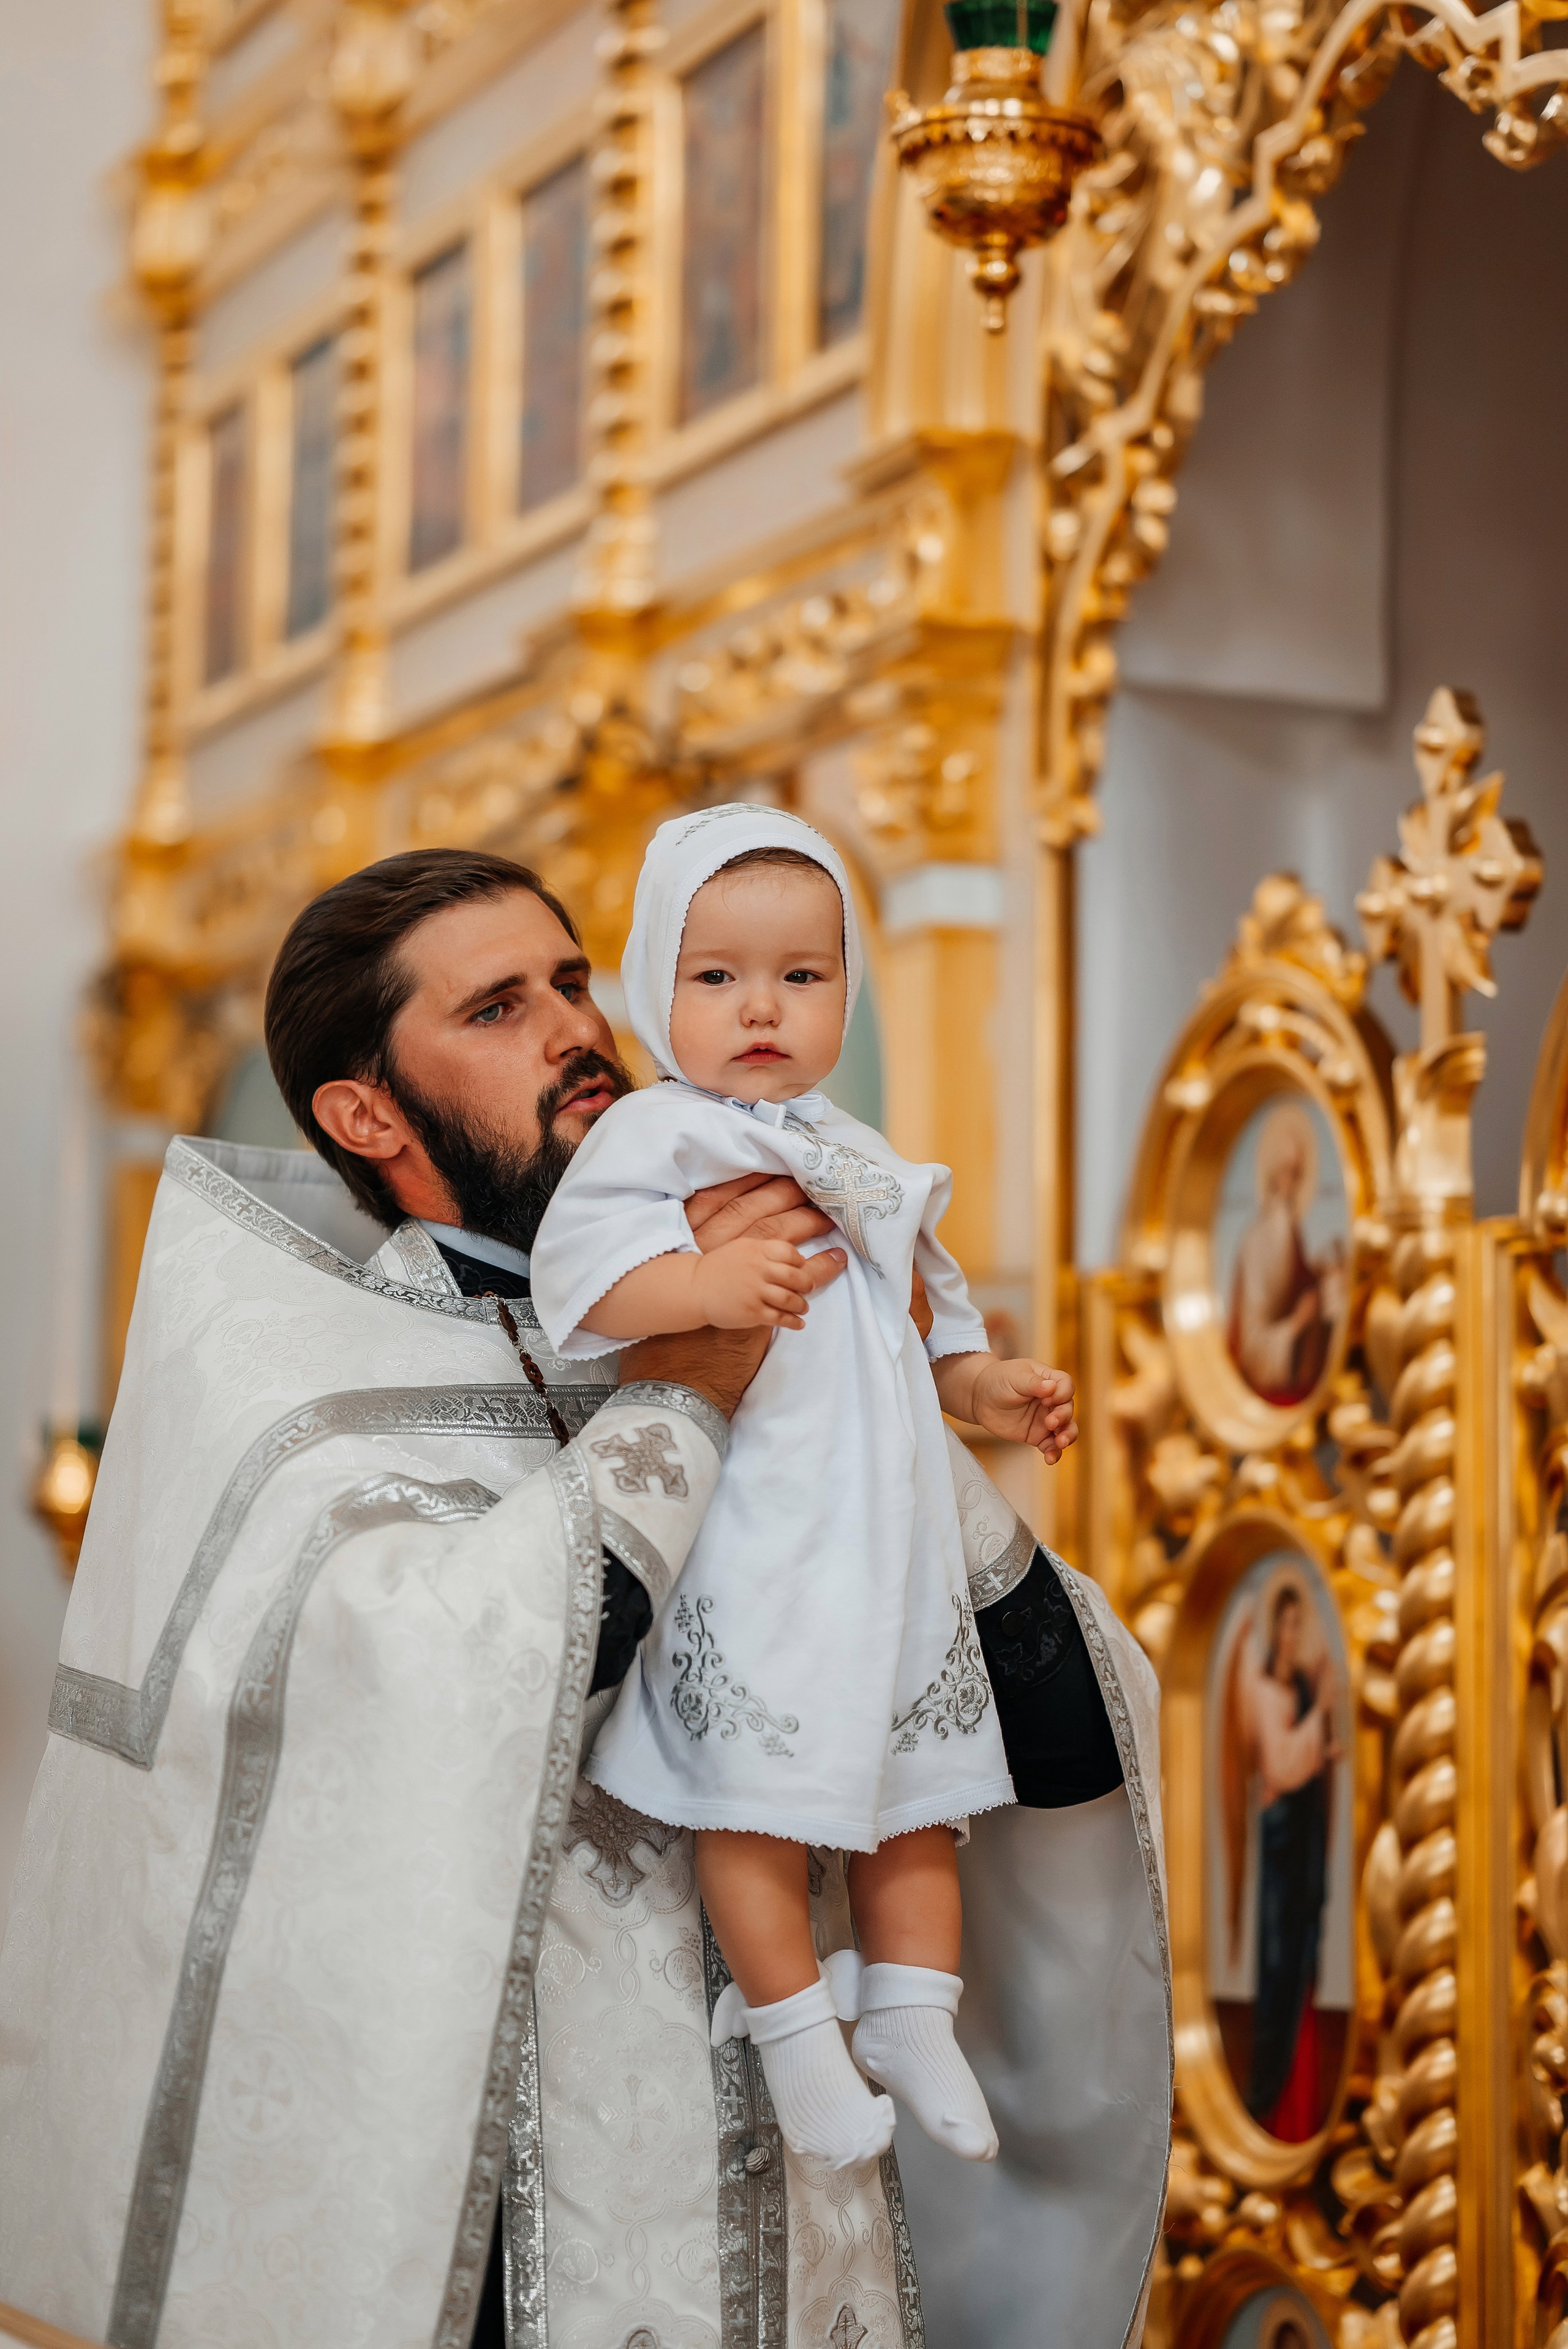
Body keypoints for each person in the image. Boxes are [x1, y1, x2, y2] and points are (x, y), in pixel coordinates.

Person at [0, 848, 1172, 2349]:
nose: (571, 1028)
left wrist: (862, 1383)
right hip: (511, 2248)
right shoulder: (303, 1383)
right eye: (496, 1005)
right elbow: (428, 1698)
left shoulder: (780, 1311)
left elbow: (1063, 1722)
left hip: (808, 2222)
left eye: (571, 979)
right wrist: (689, 1386)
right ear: (367, 1112)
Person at [532, 807, 1075, 2174]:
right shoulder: (657, 1136)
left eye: (801, 975)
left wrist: (981, 1384)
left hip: (883, 1549)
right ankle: (791, 2041)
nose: (759, 1007)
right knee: (752, 1807)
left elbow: (924, 1312)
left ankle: (908, 2014)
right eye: (715, 976)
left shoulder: (864, 1157)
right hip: (757, 1536)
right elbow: (578, 1282)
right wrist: (703, 1286)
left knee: (920, 1802)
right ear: (656, 983)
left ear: (847, 992)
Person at [1222, 1579, 1338, 2139]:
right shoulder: (1264, 1691)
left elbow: (1310, 1757)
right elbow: (1285, 1766)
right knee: (1277, 1969)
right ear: (1275, 1630)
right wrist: (1321, 1721)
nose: (1293, 1635)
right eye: (1286, 1624)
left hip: (1304, 1848)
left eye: (1300, 1624)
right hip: (1280, 1842)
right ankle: (1268, 2102)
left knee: (1303, 1966)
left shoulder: (1301, 1690)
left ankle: (1298, 2106)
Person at [1226, 1101, 1346, 1406]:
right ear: (1271, 1175)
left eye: (1299, 1174)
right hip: (1270, 1388)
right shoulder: (1259, 1241)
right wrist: (1296, 1325)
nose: (1293, 1186)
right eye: (1286, 1174)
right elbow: (1252, 1347)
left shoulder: (1292, 1234)